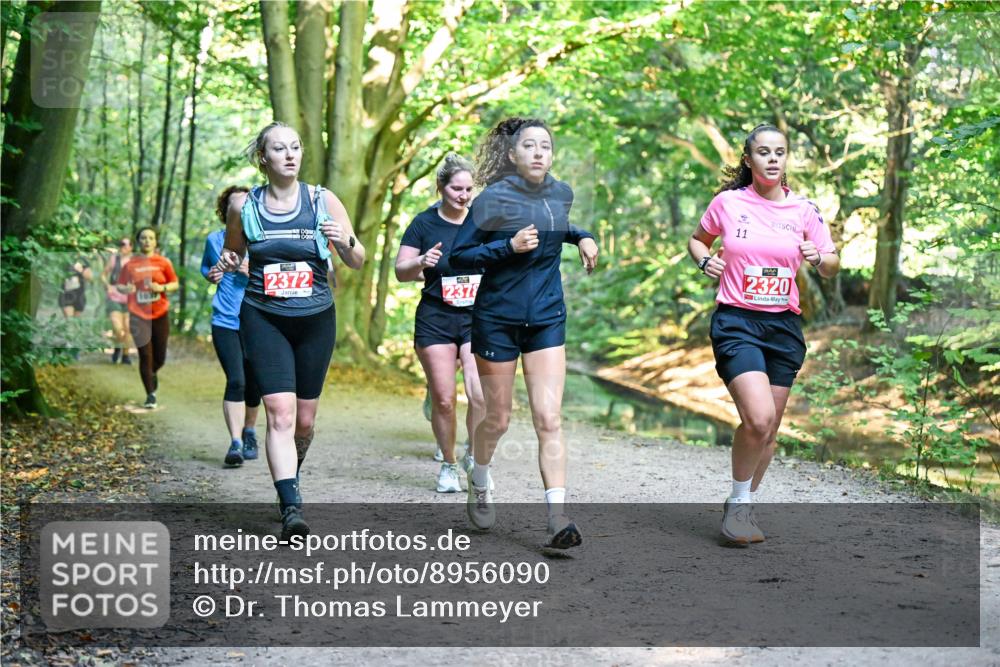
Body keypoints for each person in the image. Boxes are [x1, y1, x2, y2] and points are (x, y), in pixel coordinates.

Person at [450, 118, 599, 549]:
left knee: (549, 419)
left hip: (547, 318)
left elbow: (558, 224)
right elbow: (459, 256)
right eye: (529, 146)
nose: (538, 153)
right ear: (513, 155)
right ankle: (479, 476)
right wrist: (506, 247)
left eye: (545, 146)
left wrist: (583, 236)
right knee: (497, 419)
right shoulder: (493, 198)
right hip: (497, 319)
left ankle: (557, 518)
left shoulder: (561, 193)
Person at [688, 123, 839, 546]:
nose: (773, 158)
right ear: (749, 160)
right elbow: (698, 242)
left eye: (780, 152)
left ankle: (742, 504)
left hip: (783, 326)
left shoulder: (804, 211)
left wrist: (820, 257)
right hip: (737, 321)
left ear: (786, 159)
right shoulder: (728, 203)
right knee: (757, 418)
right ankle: (737, 507)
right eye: (763, 152)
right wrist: (705, 263)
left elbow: (831, 262)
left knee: (769, 430)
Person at [215, 122, 365, 540]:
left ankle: (289, 476)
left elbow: (358, 260)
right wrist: (224, 265)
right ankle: (291, 507)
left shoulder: (322, 200)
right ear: (264, 158)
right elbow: (234, 251)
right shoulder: (244, 206)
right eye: (279, 149)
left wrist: (345, 241)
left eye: (295, 147)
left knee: (303, 420)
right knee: (279, 414)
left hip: (316, 319)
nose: (290, 155)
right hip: (263, 317)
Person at [395, 154, 486, 493]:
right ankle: (448, 466)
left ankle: (474, 456)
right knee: (445, 399)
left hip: (476, 318)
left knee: (480, 396)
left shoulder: (482, 222)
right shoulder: (423, 223)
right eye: (456, 189)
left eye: (468, 189)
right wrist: (421, 259)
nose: (463, 196)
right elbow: (401, 271)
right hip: (436, 318)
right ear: (441, 188)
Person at [201, 185, 262, 468]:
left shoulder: (263, 238)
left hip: (259, 319)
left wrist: (244, 267)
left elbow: (271, 274)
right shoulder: (215, 240)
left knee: (254, 384)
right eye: (231, 207)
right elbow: (209, 270)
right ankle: (235, 442)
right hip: (225, 318)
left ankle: (250, 431)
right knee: (236, 380)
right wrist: (213, 274)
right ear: (226, 212)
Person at [115, 227, 179, 409]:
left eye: (150, 238)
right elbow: (120, 285)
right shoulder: (130, 264)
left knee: (159, 357)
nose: (147, 241)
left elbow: (174, 283)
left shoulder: (164, 262)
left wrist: (162, 288)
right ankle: (150, 394)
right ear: (138, 241)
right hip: (138, 314)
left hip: (160, 313)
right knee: (145, 354)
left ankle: (152, 374)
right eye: (143, 238)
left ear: (155, 241)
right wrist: (126, 289)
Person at [101, 237, 133, 364]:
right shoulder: (114, 259)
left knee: (128, 329)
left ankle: (125, 356)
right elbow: (103, 274)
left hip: (130, 299)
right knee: (118, 328)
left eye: (125, 245)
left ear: (131, 247)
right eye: (121, 244)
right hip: (114, 297)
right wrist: (107, 286)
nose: (122, 247)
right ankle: (118, 347)